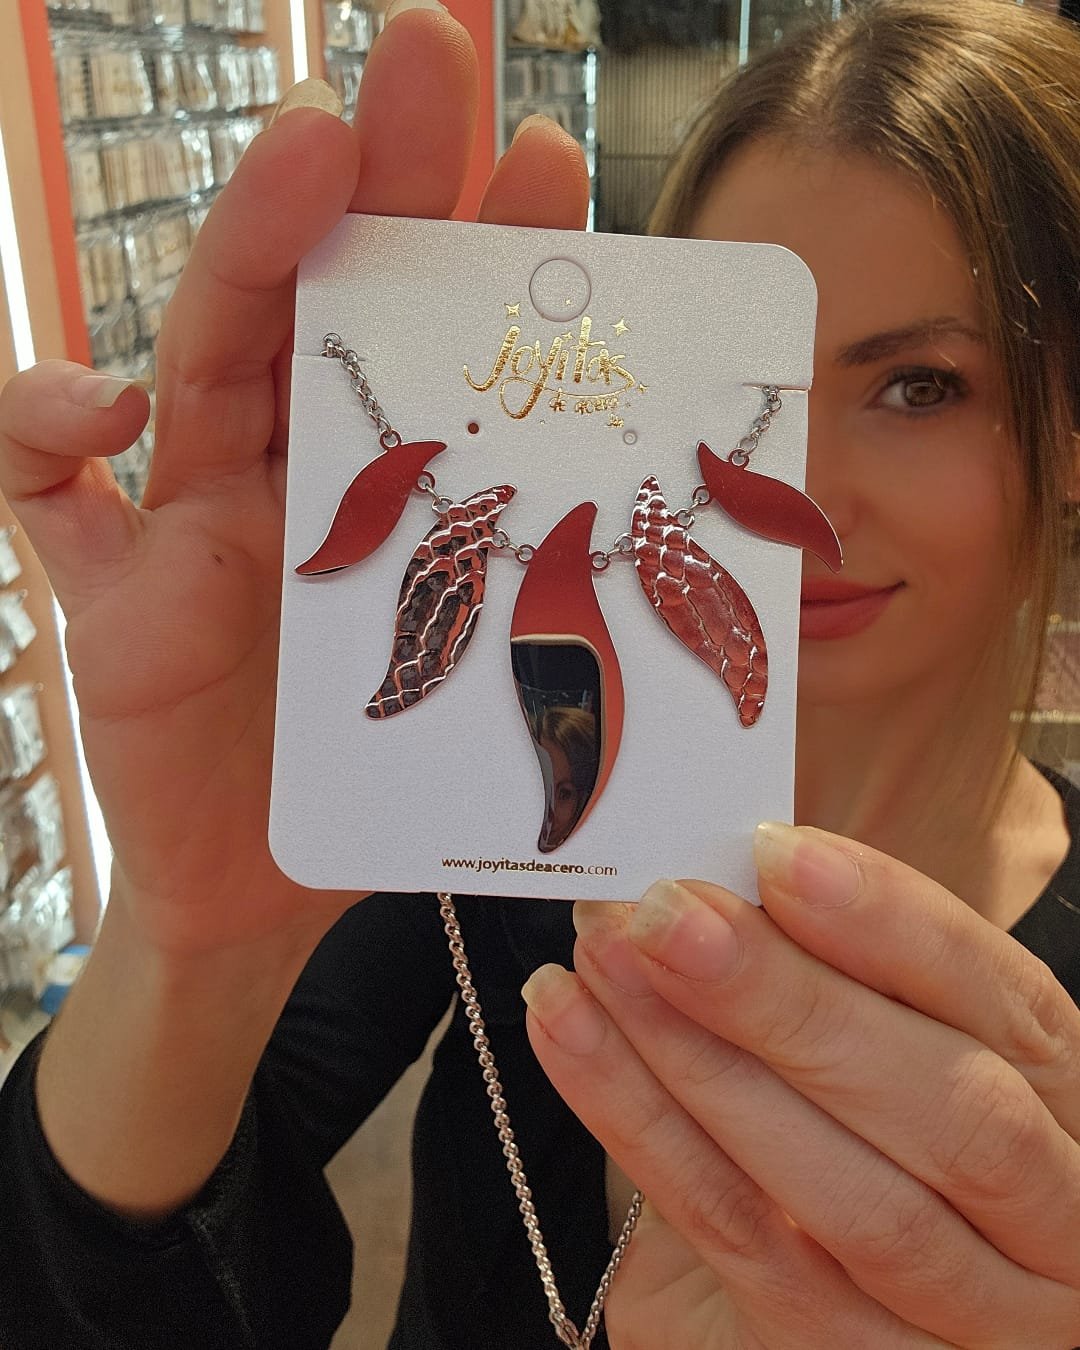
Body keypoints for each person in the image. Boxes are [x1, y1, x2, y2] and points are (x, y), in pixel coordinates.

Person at [1, 0, 1079, 1346]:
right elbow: (101, 1293)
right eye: (728, 386)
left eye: (920, 385)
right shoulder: (496, 801)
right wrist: (184, 950)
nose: (796, 487)